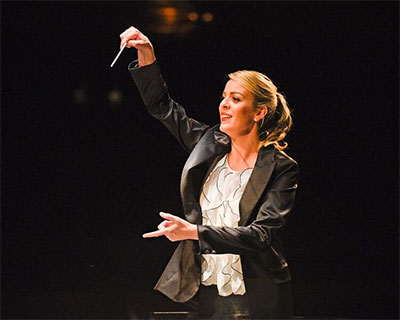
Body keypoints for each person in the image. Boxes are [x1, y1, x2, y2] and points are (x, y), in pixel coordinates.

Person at [120, 26, 299, 319]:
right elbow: (162, 107)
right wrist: (147, 55)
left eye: (236, 99)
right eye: (223, 97)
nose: (225, 105)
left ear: (259, 112)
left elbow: (260, 236)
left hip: (258, 293)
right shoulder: (209, 145)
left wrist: (192, 232)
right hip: (205, 289)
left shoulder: (281, 168)